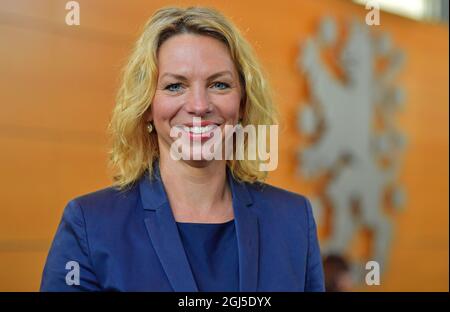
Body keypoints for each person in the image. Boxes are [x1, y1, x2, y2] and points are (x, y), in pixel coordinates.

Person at [40, 6, 324, 292]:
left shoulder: (293, 219)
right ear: (147, 106)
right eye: (175, 86)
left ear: (243, 103)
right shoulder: (90, 224)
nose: (199, 106)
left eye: (219, 84)